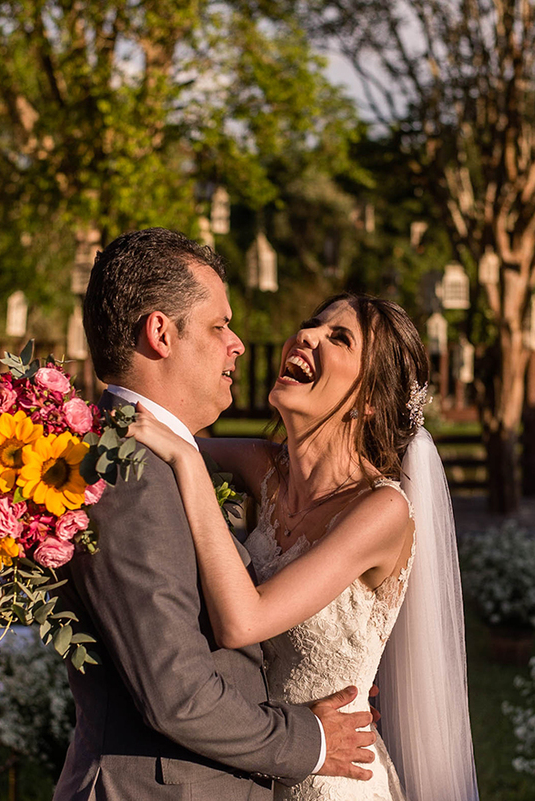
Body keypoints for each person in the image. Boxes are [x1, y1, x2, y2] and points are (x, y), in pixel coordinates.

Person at [53, 228, 377, 801]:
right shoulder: (131, 475)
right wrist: (314, 742)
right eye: (217, 325)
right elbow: (177, 692)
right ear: (160, 333)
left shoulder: (155, 458)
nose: (239, 344)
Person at [128, 292, 480, 801]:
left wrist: (188, 465)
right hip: (256, 766)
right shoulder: (263, 468)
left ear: (368, 400)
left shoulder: (381, 511)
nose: (307, 336)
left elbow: (242, 622)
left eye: (339, 338)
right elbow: (147, 432)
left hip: (336, 780)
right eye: (313, 324)